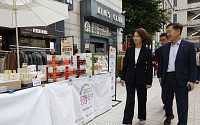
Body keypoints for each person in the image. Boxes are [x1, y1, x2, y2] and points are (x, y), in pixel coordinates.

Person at [158, 23, 196, 125]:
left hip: (182, 79)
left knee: (182, 104)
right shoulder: (165, 47)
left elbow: (192, 65)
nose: (168, 34)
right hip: (167, 78)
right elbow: (161, 63)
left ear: (178, 31)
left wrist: (191, 81)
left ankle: (182, 123)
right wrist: (160, 76)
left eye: (169, 31)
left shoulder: (189, 46)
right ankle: (169, 116)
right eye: (167, 32)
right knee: (167, 101)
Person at [121, 28, 153, 125]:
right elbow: (125, 64)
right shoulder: (129, 50)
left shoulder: (147, 51)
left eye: (137, 36)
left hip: (142, 78)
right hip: (130, 78)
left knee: (142, 99)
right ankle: (127, 120)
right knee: (130, 99)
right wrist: (123, 77)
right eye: (134, 36)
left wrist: (149, 82)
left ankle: (142, 117)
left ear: (142, 37)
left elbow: (150, 67)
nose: (135, 38)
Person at [155, 33, 170, 111]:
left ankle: (168, 106)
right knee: (164, 91)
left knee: (170, 93)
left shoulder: (173, 49)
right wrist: (159, 76)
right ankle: (165, 103)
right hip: (163, 74)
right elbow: (160, 63)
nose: (162, 42)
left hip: (173, 75)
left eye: (164, 40)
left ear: (168, 39)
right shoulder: (158, 51)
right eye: (161, 40)